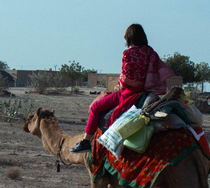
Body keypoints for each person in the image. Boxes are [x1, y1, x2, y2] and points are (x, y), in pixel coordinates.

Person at [69, 24, 174, 153]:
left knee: (96, 108)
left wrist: (119, 85)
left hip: (129, 93)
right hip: (146, 92)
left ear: (130, 38)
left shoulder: (128, 54)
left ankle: (85, 142)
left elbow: (124, 80)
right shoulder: (151, 52)